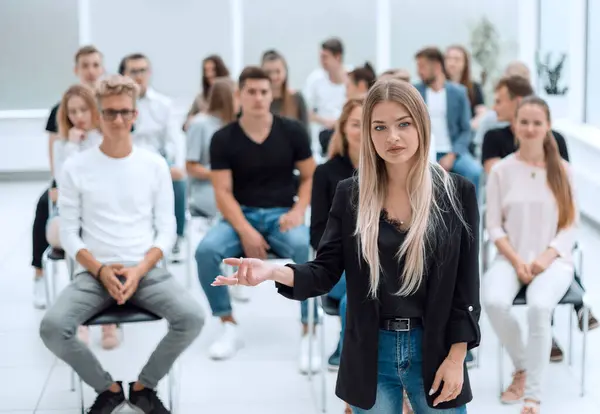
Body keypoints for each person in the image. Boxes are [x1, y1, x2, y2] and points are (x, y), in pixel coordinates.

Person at [213, 79, 481, 413]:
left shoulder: (457, 193)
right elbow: (325, 271)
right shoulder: (351, 194)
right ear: (367, 134)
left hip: (436, 348)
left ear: (422, 125)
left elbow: (466, 287)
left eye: (403, 124)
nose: (392, 137)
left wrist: (456, 358)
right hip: (371, 352)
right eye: (379, 127)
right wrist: (271, 272)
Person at [39, 75, 204, 414]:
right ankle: (108, 388)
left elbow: (167, 228)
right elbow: (69, 233)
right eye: (110, 113)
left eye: (125, 113)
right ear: (99, 115)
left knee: (192, 317)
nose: (118, 120)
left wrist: (140, 268)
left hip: (145, 269)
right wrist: (100, 269)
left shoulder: (154, 165)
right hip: (93, 271)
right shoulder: (75, 167)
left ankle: (144, 387)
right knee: (53, 327)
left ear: (135, 116)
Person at [195, 67, 319, 372]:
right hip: (240, 214)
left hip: (282, 215)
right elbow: (222, 192)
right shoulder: (223, 138)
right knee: (206, 251)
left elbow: (309, 177)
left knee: (306, 249)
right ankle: (227, 324)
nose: (258, 97)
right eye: (251, 91)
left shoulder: (292, 131)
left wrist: (298, 210)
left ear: (272, 94)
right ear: (239, 95)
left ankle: (308, 329)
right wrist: (246, 231)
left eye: (264, 91)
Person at [483, 96, 578, 414]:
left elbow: (569, 226)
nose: (530, 128)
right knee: (494, 301)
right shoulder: (502, 171)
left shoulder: (562, 171)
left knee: (539, 308)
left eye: (538, 122)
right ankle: (523, 367)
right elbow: (494, 226)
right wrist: (516, 260)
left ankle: (533, 396)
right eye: (524, 122)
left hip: (553, 261)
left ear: (548, 126)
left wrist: (544, 258)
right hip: (511, 257)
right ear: (515, 126)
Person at [46, 84, 119, 349]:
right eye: (72, 111)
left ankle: (109, 322)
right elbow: (64, 180)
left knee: (99, 236)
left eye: (83, 110)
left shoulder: (105, 138)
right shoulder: (64, 145)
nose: (78, 116)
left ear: (94, 110)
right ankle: (83, 320)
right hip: (70, 216)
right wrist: (73, 146)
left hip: (99, 213)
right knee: (73, 239)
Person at [32, 45, 105, 310]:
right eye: (85, 65)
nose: (90, 70)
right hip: (68, 184)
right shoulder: (60, 111)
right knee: (45, 204)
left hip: (99, 193)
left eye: (95, 65)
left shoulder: (107, 112)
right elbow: (58, 162)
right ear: (77, 70)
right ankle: (39, 273)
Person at [119, 53, 187, 261]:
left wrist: (178, 165)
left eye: (143, 71)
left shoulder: (163, 104)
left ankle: (176, 237)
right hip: (124, 159)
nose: (139, 76)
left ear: (149, 73)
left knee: (178, 179)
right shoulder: (117, 106)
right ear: (123, 75)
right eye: (133, 71)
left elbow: (175, 139)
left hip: (156, 161)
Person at [414, 47, 483, 195]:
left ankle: (472, 218)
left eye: (422, 67)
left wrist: (452, 155)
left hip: (453, 151)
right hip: (424, 152)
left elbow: (466, 129)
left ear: (437, 66)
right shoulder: (415, 91)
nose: (419, 71)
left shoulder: (458, 92)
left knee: (475, 172)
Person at [186, 77, 238, 218]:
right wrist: (219, 174)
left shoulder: (234, 126)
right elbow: (190, 166)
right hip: (206, 199)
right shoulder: (200, 124)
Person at [261, 49, 309, 131]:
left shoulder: (296, 98)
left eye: (278, 71)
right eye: (268, 72)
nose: (273, 76)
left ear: (285, 71)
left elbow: (306, 133)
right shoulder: (257, 101)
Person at [183, 55, 231, 131]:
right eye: (206, 70)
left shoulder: (233, 95)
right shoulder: (200, 98)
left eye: (213, 70)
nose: (210, 75)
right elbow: (186, 125)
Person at [444, 45, 486, 130]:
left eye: (457, 59)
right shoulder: (438, 87)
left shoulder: (474, 87)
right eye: (448, 59)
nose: (452, 63)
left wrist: (469, 127)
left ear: (465, 63)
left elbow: (482, 112)